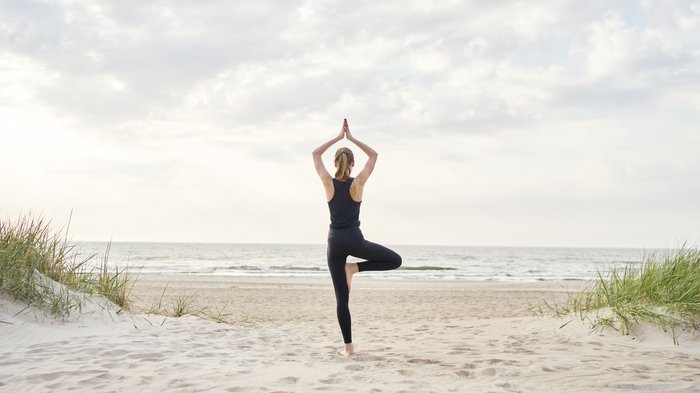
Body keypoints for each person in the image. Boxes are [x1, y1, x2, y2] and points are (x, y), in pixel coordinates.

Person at [312, 118, 402, 356]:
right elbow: (373, 156)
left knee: (342, 298)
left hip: (334, 242)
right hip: (354, 239)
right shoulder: (358, 183)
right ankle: (355, 269)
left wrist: (337, 137)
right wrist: (350, 137)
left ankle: (348, 350)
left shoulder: (328, 183)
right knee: (395, 260)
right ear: (352, 165)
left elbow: (315, 154)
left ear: (335, 163)